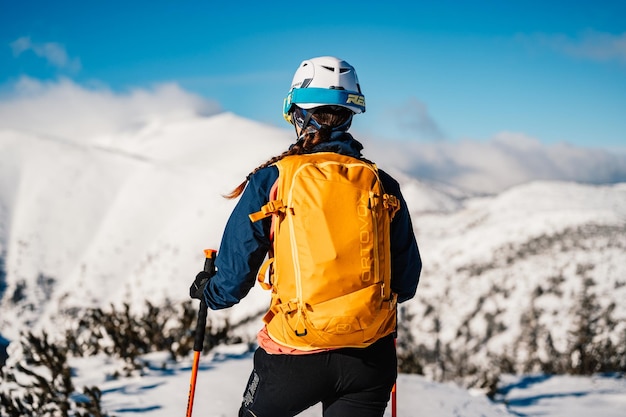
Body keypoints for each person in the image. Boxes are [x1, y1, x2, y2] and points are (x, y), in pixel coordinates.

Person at [190, 56, 421, 417]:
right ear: (350, 113)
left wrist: (209, 290)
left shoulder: (273, 180)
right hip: (370, 359)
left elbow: (233, 282)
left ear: (297, 114)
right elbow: (405, 284)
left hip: (294, 356)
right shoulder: (382, 183)